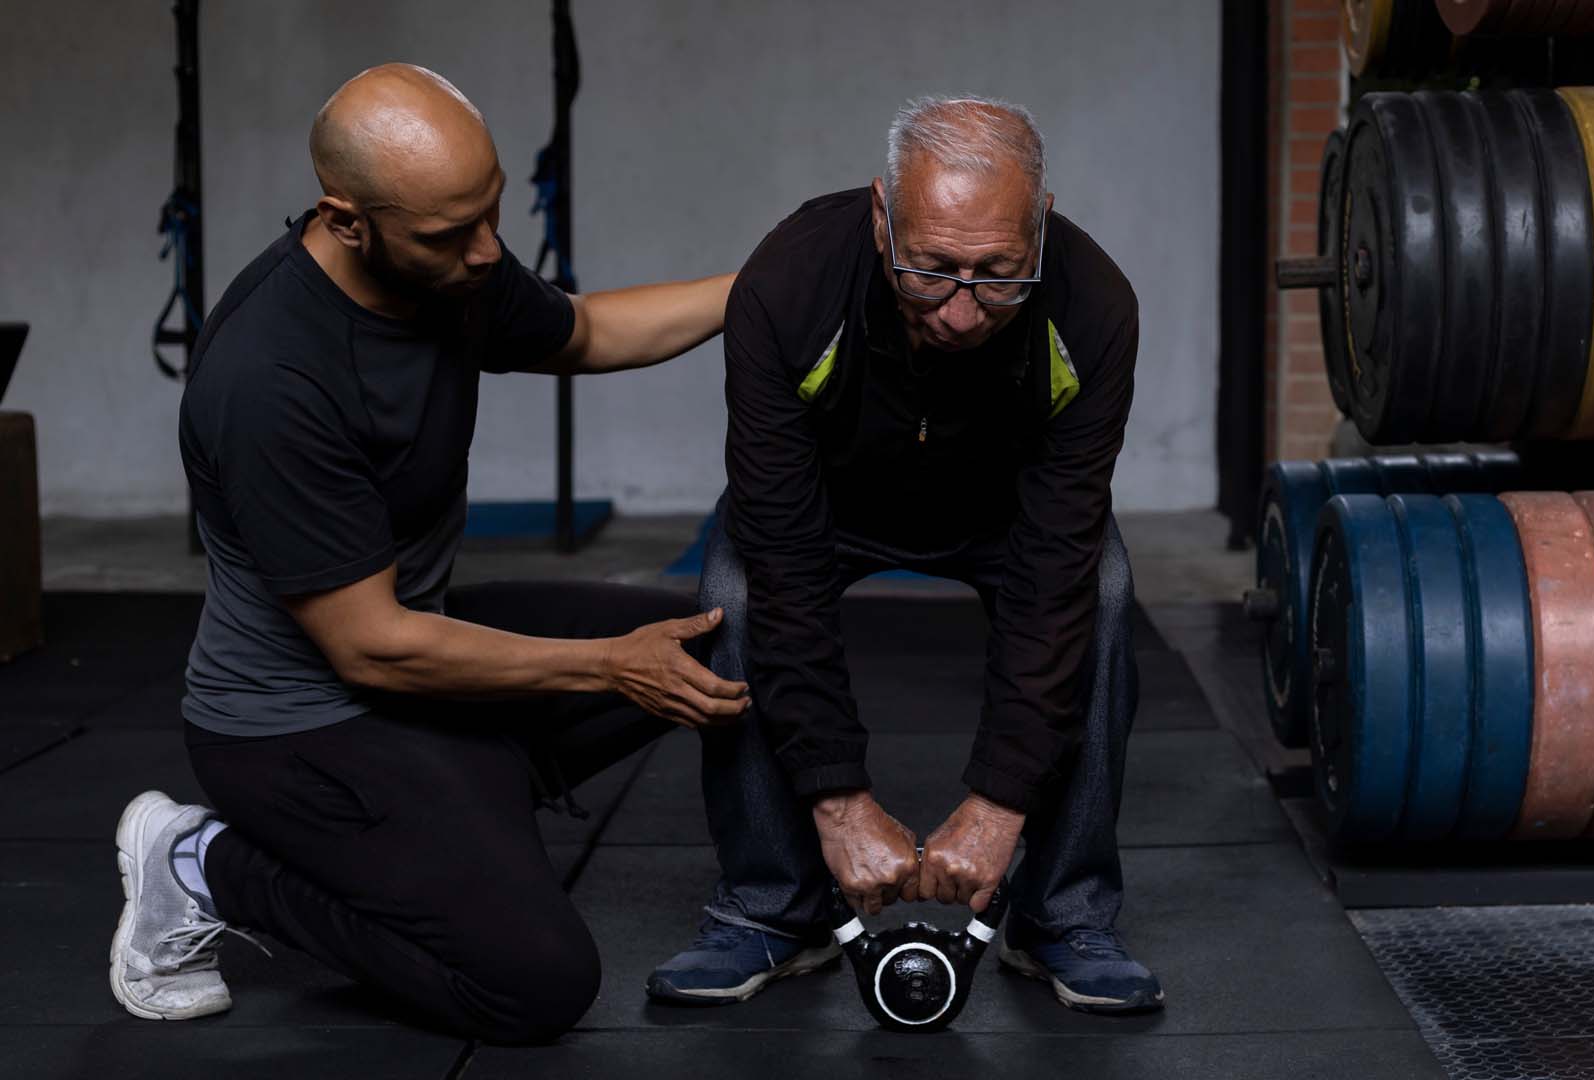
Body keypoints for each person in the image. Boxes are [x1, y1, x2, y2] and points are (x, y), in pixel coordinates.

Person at [109, 64, 745, 1045]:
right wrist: (609, 666)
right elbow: (369, 648)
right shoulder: (272, 377)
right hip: (299, 727)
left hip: (420, 655)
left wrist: (769, 284)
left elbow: (589, 330)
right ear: (348, 219)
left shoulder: (446, 261)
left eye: (489, 214)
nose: (489, 253)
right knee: (535, 987)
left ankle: (457, 811)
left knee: (717, 633)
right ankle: (200, 863)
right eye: (455, 234)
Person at [646, 96, 1163, 1014]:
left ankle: (1060, 917)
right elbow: (785, 556)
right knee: (737, 590)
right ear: (881, 217)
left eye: (997, 274)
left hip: (1009, 515)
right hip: (825, 507)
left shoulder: (1095, 306)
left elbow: (1053, 572)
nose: (962, 313)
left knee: (1102, 589)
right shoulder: (788, 285)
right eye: (931, 271)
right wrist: (839, 802)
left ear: (1040, 226)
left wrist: (999, 804)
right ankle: (775, 907)